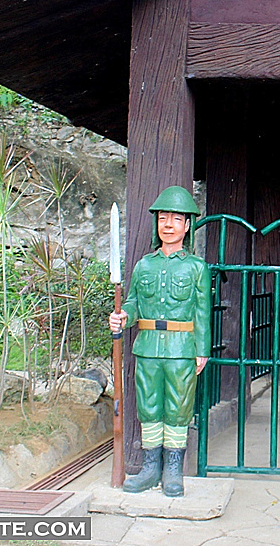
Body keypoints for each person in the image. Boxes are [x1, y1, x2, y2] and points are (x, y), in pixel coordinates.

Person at [109, 186, 211, 497]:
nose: (167, 224)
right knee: (149, 406)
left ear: (187, 225)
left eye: (175, 219)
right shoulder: (144, 265)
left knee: (179, 408)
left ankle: (173, 470)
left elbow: (203, 312)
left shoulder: (196, 268)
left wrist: (202, 351)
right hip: (148, 346)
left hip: (182, 348)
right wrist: (122, 316)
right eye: (162, 218)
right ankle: (151, 468)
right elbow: (133, 302)